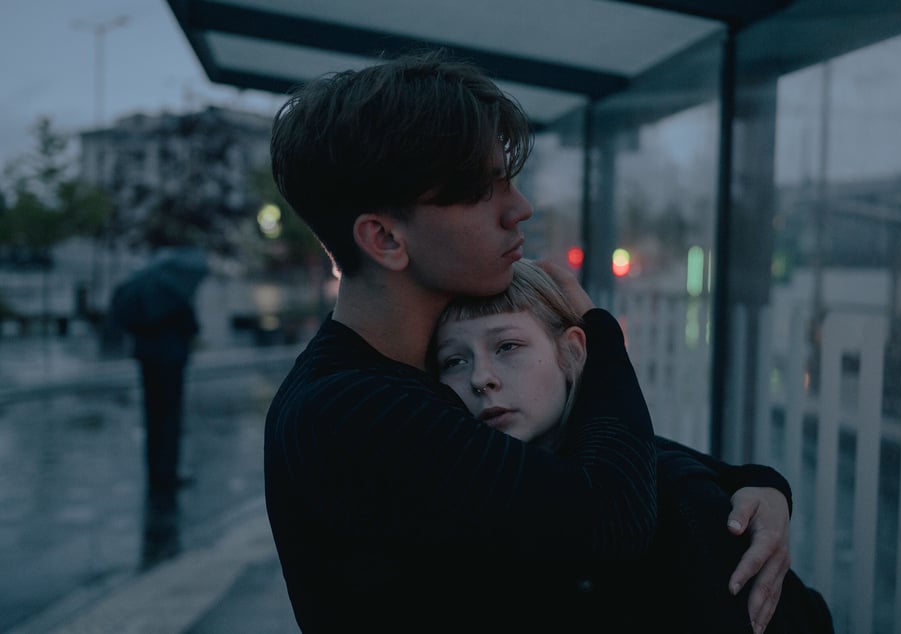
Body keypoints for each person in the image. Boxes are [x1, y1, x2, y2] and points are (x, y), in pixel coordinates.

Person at [265, 49, 792, 631]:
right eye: (480, 189)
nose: (520, 209)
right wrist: (598, 334)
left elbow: (573, 451)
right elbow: (607, 517)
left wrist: (752, 484)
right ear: (385, 238)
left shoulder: (406, 375)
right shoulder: (349, 410)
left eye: (508, 180)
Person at [431, 259, 835, 633]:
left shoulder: (676, 502)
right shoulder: (473, 486)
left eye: (507, 347)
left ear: (571, 352)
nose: (481, 378)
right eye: (455, 361)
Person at [110, 247, 207, 494]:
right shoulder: (175, 297)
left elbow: (131, 325)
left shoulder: (142, 296)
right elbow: (192, 328)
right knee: (170, 418)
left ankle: (155, 472)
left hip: (148, 362)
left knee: (152, 417)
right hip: (172, 363)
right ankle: (168, 472)